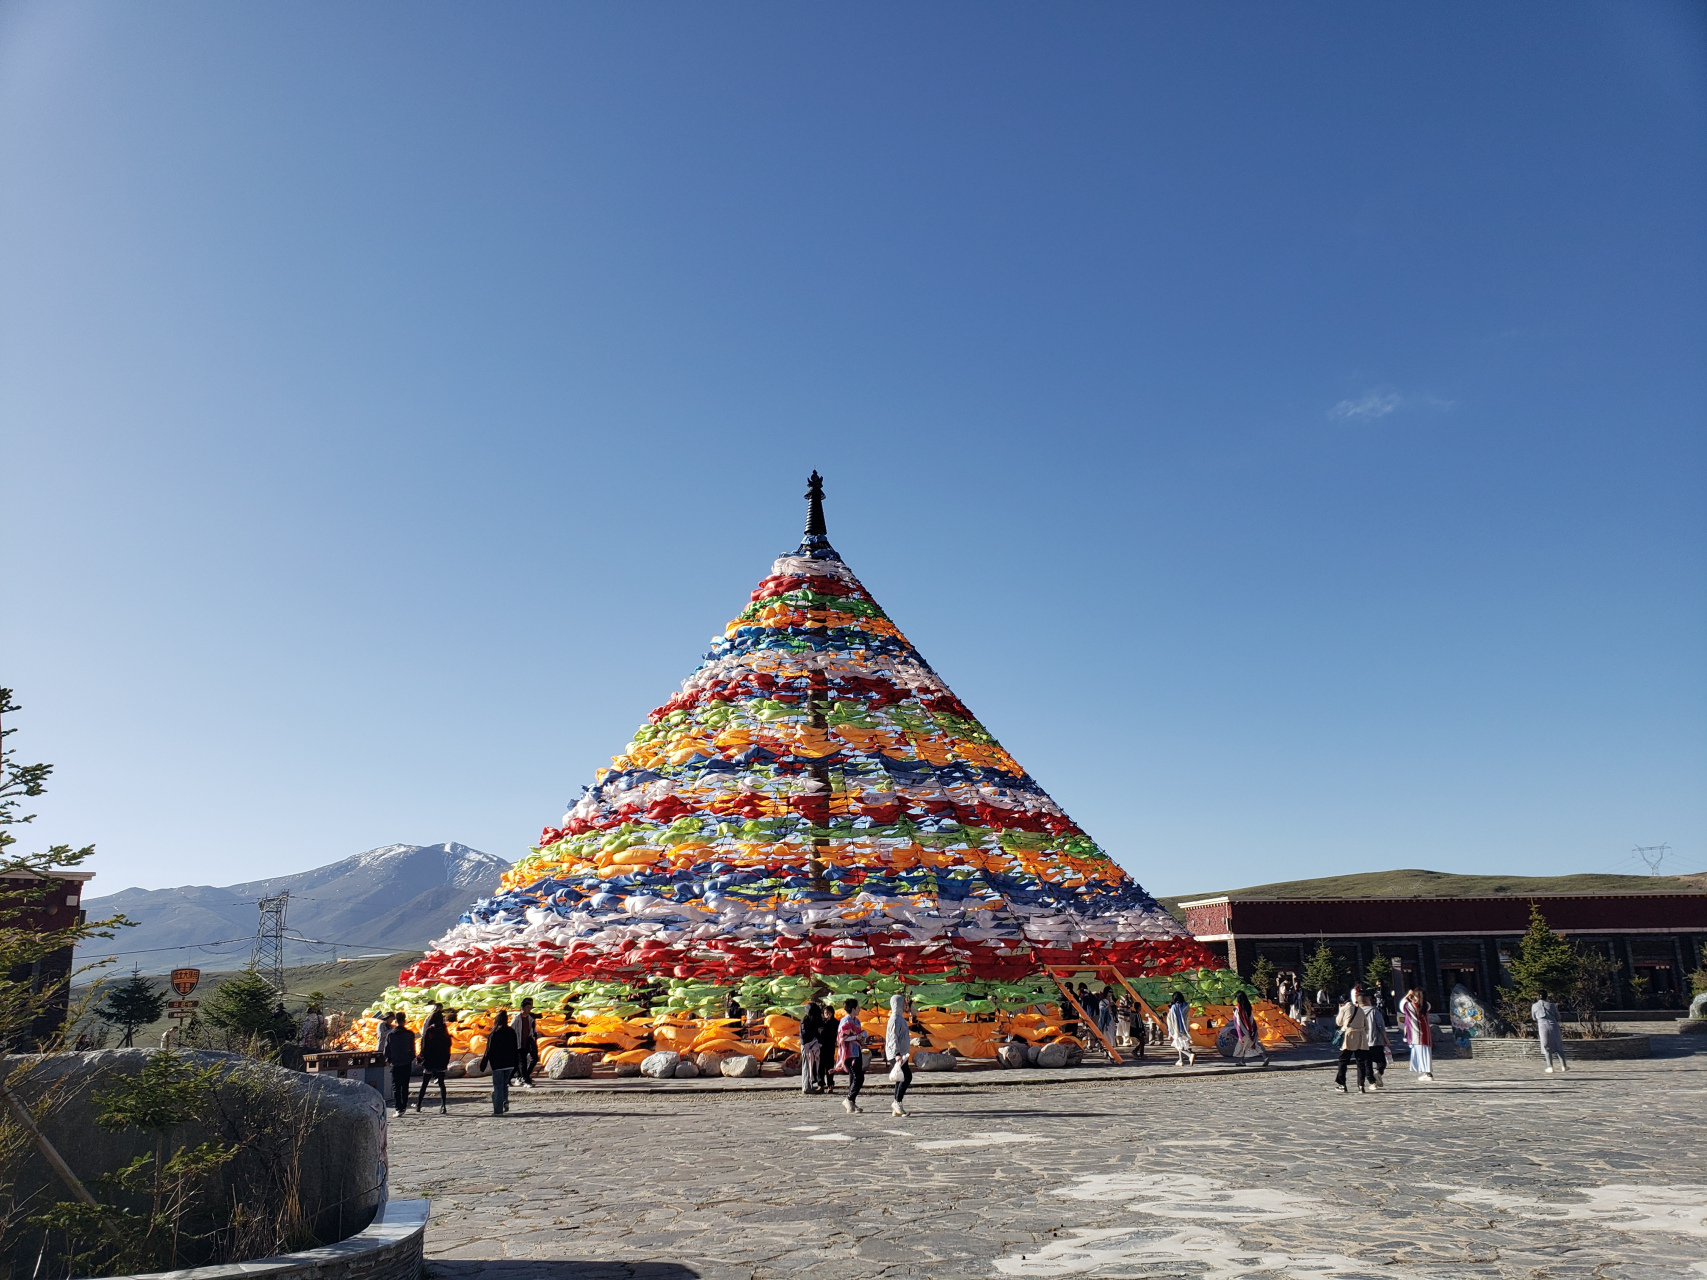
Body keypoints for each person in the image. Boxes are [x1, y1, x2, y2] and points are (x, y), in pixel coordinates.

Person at [479, 1010, 519, 1116]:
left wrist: (483, 1064)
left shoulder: (494, 1033)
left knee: (498, 1087)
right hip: (510, 1063)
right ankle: (505, 1101)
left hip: (498, 1064)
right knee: (504, 1085)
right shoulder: (511, 1032)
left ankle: (498, 1110)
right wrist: (516, 1063)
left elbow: (488, 1050)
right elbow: (515, 1048)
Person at [1334, 992, 1374, 1094]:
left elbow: (1338, 1022)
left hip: (1349, 1036)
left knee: (1343, 1060)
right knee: (1360, 1062)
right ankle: (1361, 1085)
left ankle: (1342, 1084)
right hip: (1360, 1036)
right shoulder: (1359, 1009)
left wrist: (1340, 1010)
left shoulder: (1344, 1009)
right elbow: (1367, 1025)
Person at [415, 1008, 453, 1113]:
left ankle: (418, 1105)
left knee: (425, 1083)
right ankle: (443, 1105)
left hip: (430, 1060)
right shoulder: (444, 1031)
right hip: (441, 1060)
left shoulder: (429, 1031)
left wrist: (420, 1058)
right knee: (441, 1083)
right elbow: (448, 1045)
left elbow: (424, 1047)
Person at [382, 1013, 417, 1118]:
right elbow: (413, 1050)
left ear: (395, 1021)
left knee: (396, 1087)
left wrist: (389, 1060)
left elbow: (386, 1051)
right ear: (404, 1021)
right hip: (406, 1063)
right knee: (405, 1085)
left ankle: (398, 1108)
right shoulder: (410, 1034)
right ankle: (404, 1105)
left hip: (395, 1064)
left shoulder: (391, 1035)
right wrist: (410, 1058)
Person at [836, 997, 866, 1114]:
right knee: (858, 1077)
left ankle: (852, 1102)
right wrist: (855, 1037)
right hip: (848, 1052)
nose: (859, 1009)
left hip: (857, 1050)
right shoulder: (846, 1021)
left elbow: (858, 1033)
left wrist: (862, 1035)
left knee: (854, 1077)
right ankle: (848, 1099)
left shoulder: (856, 1021)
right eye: (858, 1007)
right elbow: (841, 1038)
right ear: (853, 1009)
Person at [886, 992, 913, 1117]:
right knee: (907, 1076)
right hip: (896, 1054)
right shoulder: (895, 1019)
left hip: (902, 1053)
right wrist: (897, 1054)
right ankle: (897, 1102)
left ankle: (897, 1103)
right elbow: (893, 1038)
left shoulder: (900, 1018)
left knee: (900, 1077)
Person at [1399, 987, 1434, 1081]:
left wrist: (1408, 995)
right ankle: (1427, 1072)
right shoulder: (1426, 1005)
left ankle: (1427, 1073)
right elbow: (1424, 1003)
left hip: (1415, 1034)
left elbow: (1402, 1005)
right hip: (1426, 1032)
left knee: (1420, 1053)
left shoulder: (1410, 1006)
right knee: (1426, 1053)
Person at [1533, 989, 1568, 1073]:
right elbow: (1558, 1016)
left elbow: (1534, 1017)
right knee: (1558, 1045)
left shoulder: (1534, 1006)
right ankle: (1564, 1066)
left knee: (1546, 1046)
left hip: (1542, 1026)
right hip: (1553, 1025)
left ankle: (1550, 1066)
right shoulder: (1551, 1005)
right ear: (1546, 996)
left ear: (1538, 997)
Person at [1231, 991, 1269, 1067]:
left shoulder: (1238, 1009)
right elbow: (1251, 1019)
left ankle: (1241, 1061)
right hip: (1251, 1030)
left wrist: (1240, 1034)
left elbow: (1238, 1022)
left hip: (1243, 1031)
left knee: (1241, 1047)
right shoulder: (1248, 1007)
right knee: (1253, 1045)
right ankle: (1264, 1057)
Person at [799, 995, 827, 1095]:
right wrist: (816, 1031)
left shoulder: (809, 1020)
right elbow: (805, 1035)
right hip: (807, 1047)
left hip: (811, 1046)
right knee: (807, 1067)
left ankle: (809, 1085)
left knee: (810, 1067)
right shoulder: (805, 1021)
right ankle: (806, 1087)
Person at [1363, 990, 1388, 1088]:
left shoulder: (1357, 1012)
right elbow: (1381, 1025)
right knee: (1381, 1061)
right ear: (1367, 1001)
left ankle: (1372, 1082)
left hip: (1363, 1041)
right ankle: (1378, 1072)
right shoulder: (1374, 1011)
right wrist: (1386, 1038)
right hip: (1375, 1040)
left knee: (1367, 1063)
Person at [815, 994, 839, 1093]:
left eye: (828, 1013)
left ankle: (830, 1085)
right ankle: (820, 1084)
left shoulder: (835, 1023)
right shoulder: (821, 1022)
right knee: (820, 1067)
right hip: (821, 1047)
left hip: (830, 1047)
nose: (827, 1015)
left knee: (829, 1067)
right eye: (825, 1013)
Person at [514, 997, 539, 1089]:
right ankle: (525, 1080)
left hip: (528, 1042)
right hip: (519, 1043)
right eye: (528, 1007)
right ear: (522, 1008)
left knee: (534, 1058)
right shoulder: (517, 1019)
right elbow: (512, 1030)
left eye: (530, 1007)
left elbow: (533, 1031)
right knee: (522, 1062)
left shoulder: (530, 1019)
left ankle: (524, 1076)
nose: (529, 1010)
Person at [1166, 992, 1196, 1066]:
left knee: (1178, 1045)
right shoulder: (1185, 1006)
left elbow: (1170, 1019)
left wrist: (1170, 1030)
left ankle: (1189, 1055)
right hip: (1185, 1028)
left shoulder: (1173, 1008)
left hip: (1176, 1029)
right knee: (1181, 1044)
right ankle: (1181, 1060)